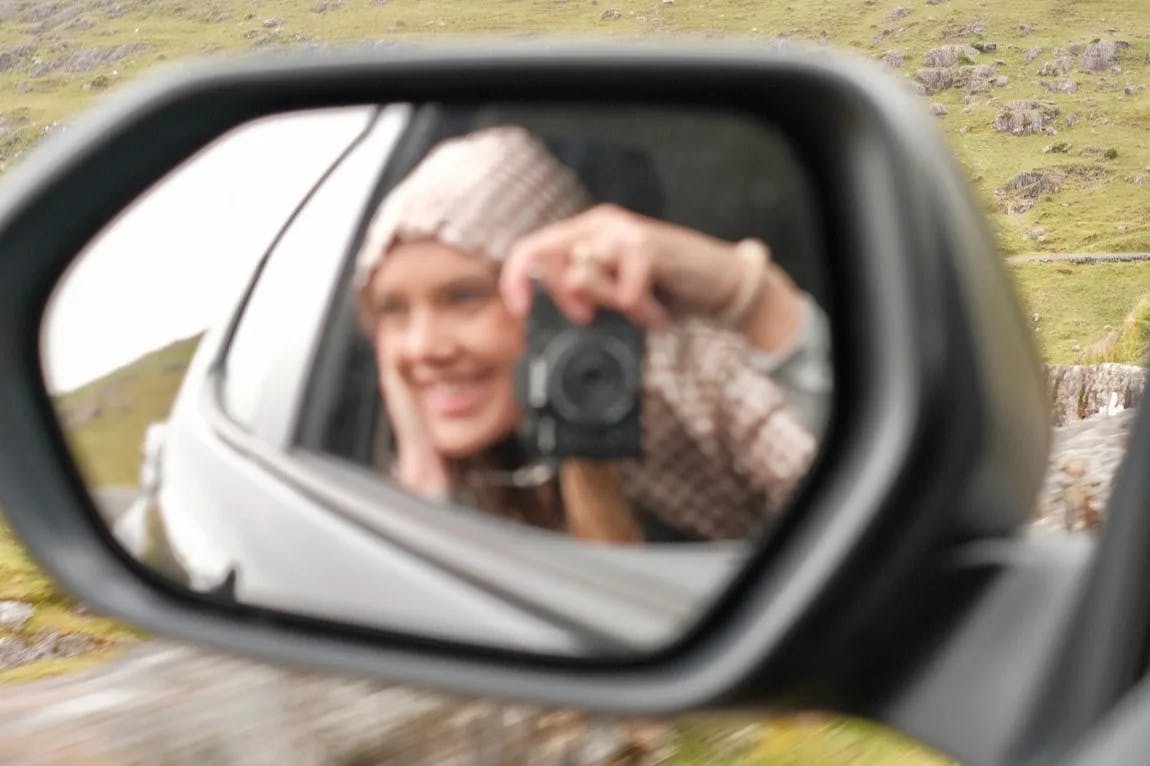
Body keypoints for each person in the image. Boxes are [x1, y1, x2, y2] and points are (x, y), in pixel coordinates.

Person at [354, 125, 831, 544]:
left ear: (560, 292)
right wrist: (423, 483)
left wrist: (745, 290)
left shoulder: (686, 380)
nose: (423, 347)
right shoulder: (433, 466)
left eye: (464, 297)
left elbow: (850, 497)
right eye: (392, 311)